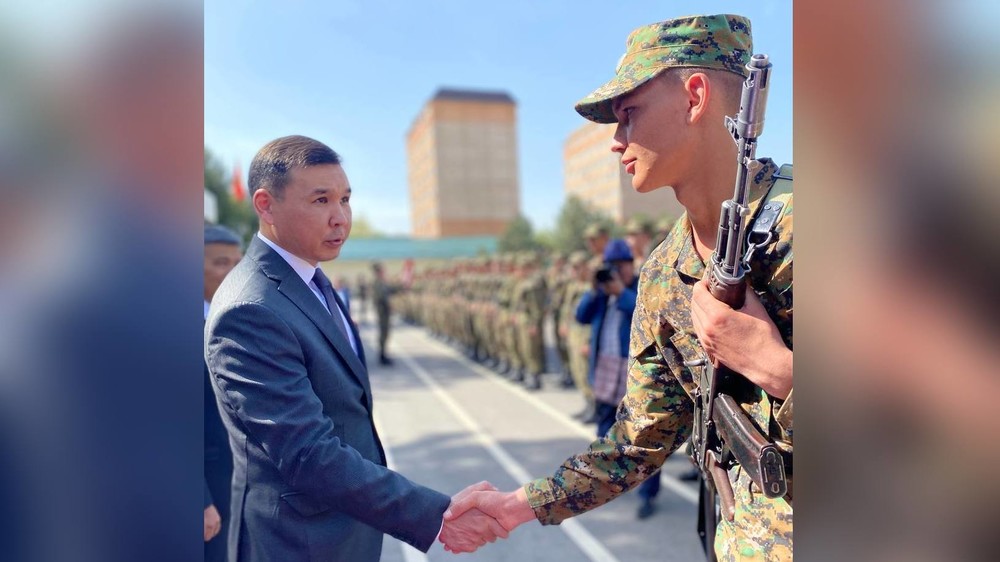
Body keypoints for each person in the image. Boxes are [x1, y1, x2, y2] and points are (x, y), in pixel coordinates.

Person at [442, 14, 793, 560]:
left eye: (629, 114)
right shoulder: (664, 272)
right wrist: (518, 505)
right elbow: (638, 442)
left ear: (694, 98)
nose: (615, 141)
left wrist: (775, 367)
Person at [204, 135, 507, 561]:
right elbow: (307, 453)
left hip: (339, 526)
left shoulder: (307, 278)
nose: (341, 218)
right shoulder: (251, 309)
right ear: (266, 205)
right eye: (321, 200)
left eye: (345, 199)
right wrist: (436, 515)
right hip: (299, 542)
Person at [203, 224, 243, 562]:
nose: (232, 272)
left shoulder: (234, 317)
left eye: (237, 263)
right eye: (220, 263)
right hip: (208, 492)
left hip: (239, 484)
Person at [370, 261, 397, 365]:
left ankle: (383, 354)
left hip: (384, 311)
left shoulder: (381, 282)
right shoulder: (378, 283)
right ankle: (382, 356)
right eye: (382, 271)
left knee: (385, 333)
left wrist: (400, 287)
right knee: (383, 333)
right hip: (382, 311)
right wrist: (389, 305)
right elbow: (381, 297)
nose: (384, 272)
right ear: (378, 272)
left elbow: (390, 290)